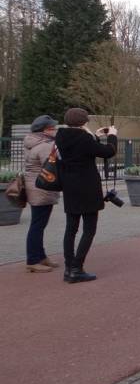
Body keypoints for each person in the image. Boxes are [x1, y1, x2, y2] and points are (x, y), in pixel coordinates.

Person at [55, 108, 117, 283]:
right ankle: (77, 268)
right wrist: (112, 136)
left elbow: (84, 148)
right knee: (89, 229)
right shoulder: (84, 138)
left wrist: (94, 135)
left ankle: (68, 268)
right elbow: (107, 152)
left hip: (70, 186)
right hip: (87, 187)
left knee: (71, 229)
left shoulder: (61, 137)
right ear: (84, 122)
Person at [23, 115, 61, 273]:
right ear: (45, 130)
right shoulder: (45, 145)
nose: (55, 130)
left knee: (38, 224)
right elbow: (53, 166)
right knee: (38, 225)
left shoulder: (31, 142)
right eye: (53, 128)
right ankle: (32, 260)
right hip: (42, 188)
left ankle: (41, 256)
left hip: (34, 187)